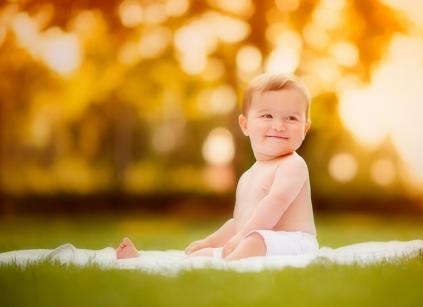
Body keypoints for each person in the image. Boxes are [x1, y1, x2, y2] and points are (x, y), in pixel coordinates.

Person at [116, 73, 318, 261]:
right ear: (245, 125)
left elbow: (276, 202)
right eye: (267, 116)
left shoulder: (293, 164)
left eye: (291, 118)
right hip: (257, 240)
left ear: (305, 128)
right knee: (215, 249)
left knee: (254, 241)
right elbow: (238, 224)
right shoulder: (248, 176)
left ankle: (221, 259)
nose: (279, 125)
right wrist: (210, 241)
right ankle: (151, 261)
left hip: (295, 243)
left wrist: (242, 237)